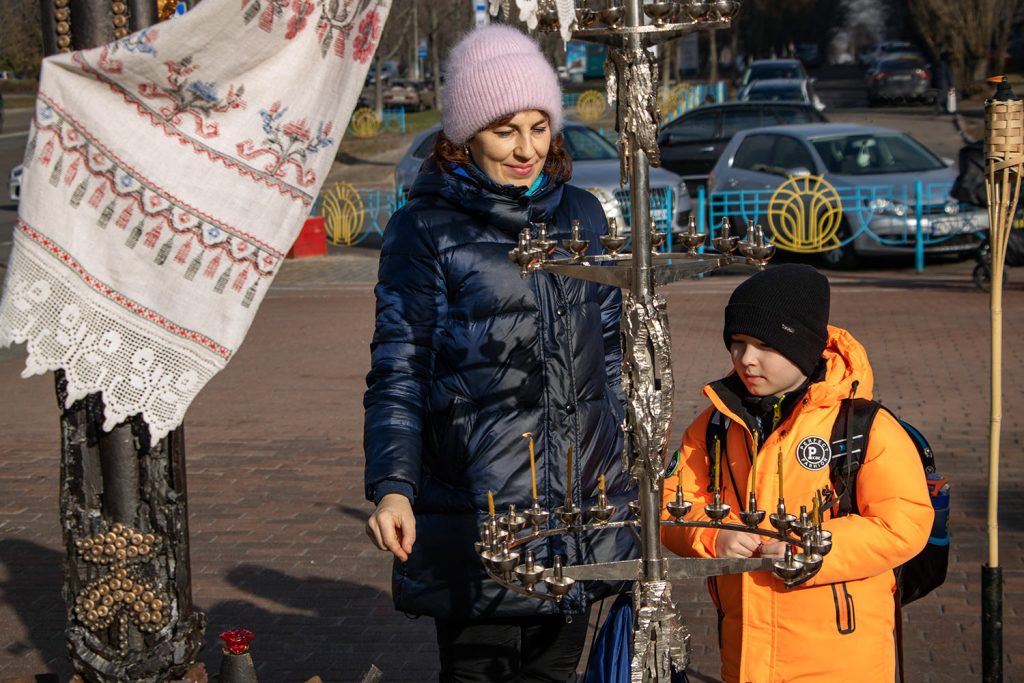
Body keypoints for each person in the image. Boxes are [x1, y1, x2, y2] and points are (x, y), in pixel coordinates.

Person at [363, 24, 637, 683]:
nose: (525, 149)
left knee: (556, 672)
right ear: (465, 133)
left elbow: (612, 360)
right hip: (479, 511)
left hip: (580, 510)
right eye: (504, 129)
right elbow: (400, 369)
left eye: (539, 127)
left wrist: (629, 470)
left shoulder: (583, 218)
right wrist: (393, 485)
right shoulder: (425, 229)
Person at [661, 264, 933, 683]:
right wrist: (713, 536)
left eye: (765, 346)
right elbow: (670, 507)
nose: (746, 359)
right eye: (737, 343)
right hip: (745, 649)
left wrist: (814, 549)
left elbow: (903, 523)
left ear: (803, 347)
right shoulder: (715, 425)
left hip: (844, 656)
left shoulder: (862, 427)